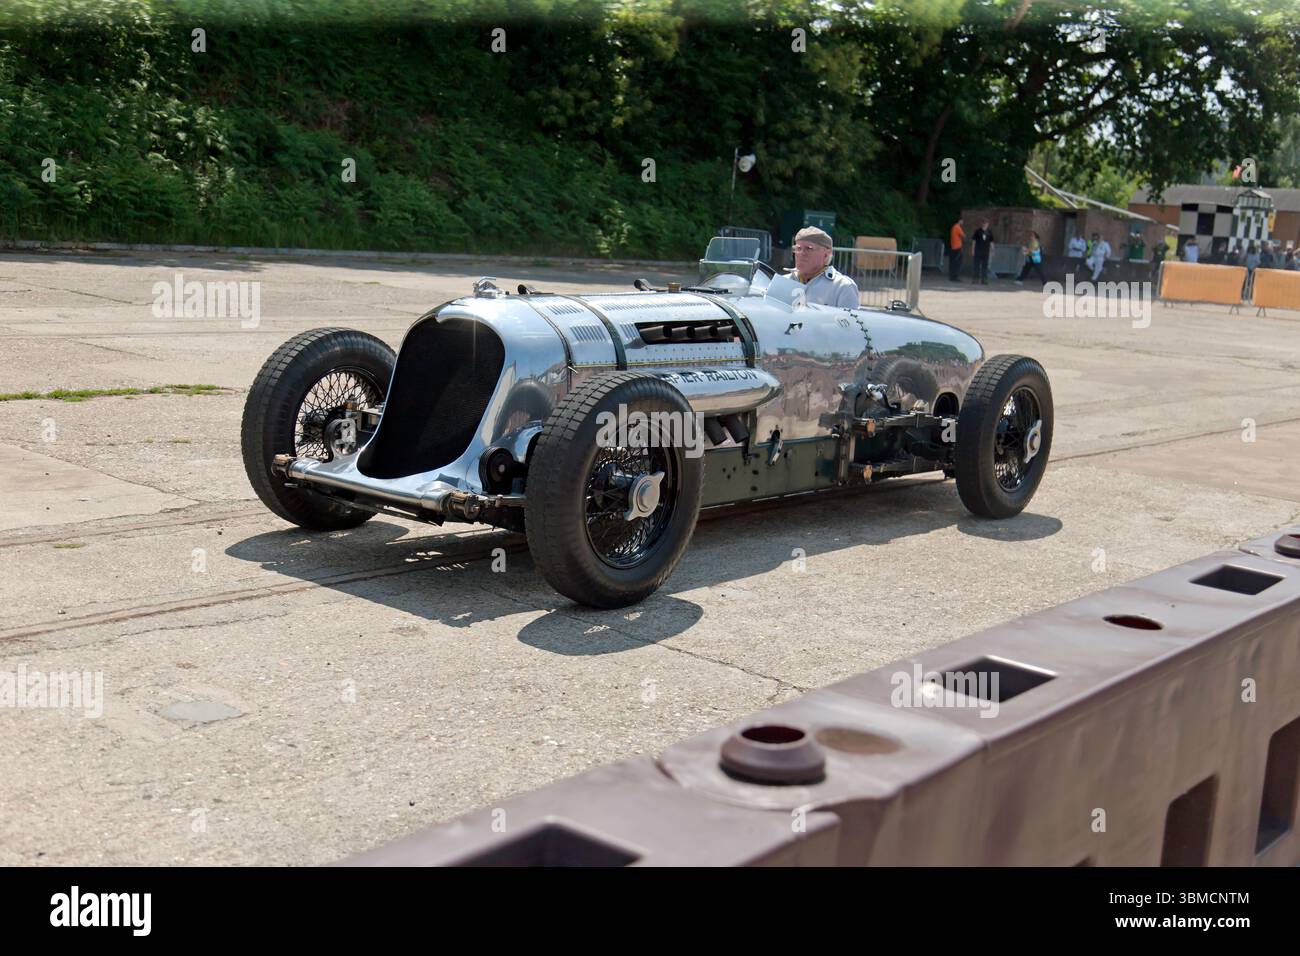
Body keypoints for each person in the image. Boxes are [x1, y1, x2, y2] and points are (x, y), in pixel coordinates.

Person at [786, 226, 860, 308]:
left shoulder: (842, 287)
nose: (801, 253)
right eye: (798, 248)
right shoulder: (784, 281)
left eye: (809, 248)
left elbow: (850, 320)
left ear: (826, 254)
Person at [971, 219, 994, 285]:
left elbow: (991, 242)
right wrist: (972, 250)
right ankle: (975, 279)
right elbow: (974, 241)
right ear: (982, 224)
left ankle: (984, 280)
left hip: (986, 251)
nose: (985, 225)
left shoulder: (989, 232)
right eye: (984, 223)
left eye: (986, 223)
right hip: (978, 251)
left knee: (985, 266)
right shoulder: (977, 231)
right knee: (976, 266)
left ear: (988, 224)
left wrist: (992, 250)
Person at [948, 217, 965, 282]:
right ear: (959, 220)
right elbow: (963, 235)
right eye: (962, 221)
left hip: (953, 247)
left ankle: (952, 276)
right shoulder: (957, 227)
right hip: (957, 247)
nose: (963, 222)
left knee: (953, 262)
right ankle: (955, 276)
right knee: (958, 263)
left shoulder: (954, 227)